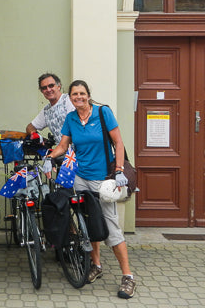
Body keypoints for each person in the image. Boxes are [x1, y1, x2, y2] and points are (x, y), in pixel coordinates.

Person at [43, 79, 136, 299]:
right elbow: (63, 146)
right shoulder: (71, 118)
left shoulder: (103, 113)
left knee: (111, 227)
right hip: (79, 178)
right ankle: (96, 265)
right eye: (74, 95)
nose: (78, 98)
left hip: (102, 180)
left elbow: (119, 143)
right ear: (70, 97)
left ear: (88, 94)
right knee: (88, 222)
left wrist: (120, 170)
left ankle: (128, 277)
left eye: (82, 94)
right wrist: (49, 156)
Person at [26, 73, 75, 145]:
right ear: (41, 91)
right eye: (44, 88)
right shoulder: (46, 110)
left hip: (80, 151)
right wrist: (36, 136)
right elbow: (30, 127)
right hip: (62, 152)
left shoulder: (69, 100)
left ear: (59, 86)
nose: (48, 90)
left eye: (51, 86)